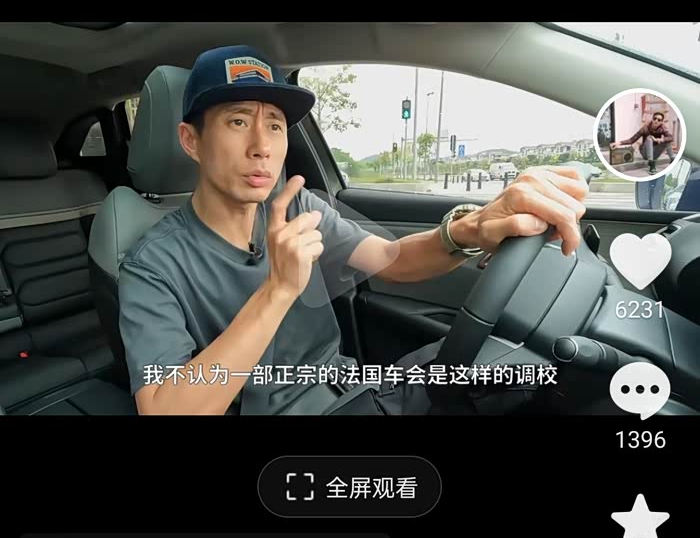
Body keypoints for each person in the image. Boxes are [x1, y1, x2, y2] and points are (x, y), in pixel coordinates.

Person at [118, 45, 589, 415]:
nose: (261, 146)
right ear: (191, 140)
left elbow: (391, 260)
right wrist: (277, 291)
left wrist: (468, 230)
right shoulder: (153, 264)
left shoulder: (299, 206)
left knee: (531, 369)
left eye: (275, 125)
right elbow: (164, 408)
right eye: (238, 121)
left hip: (357, 389)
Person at [612, 110, 676, 173]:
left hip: (655, 152)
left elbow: (671, 138)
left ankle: (672, 160)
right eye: (655, 118)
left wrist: (660, 140)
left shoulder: (662, 128)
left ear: (661, 122)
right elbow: (632, 140)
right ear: (652, 119)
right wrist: (619, 143)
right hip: (645, 153)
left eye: (659, 120)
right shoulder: (645, 128)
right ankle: (651, 163)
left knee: (667, 141)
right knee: (649, 138)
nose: (656, 121)